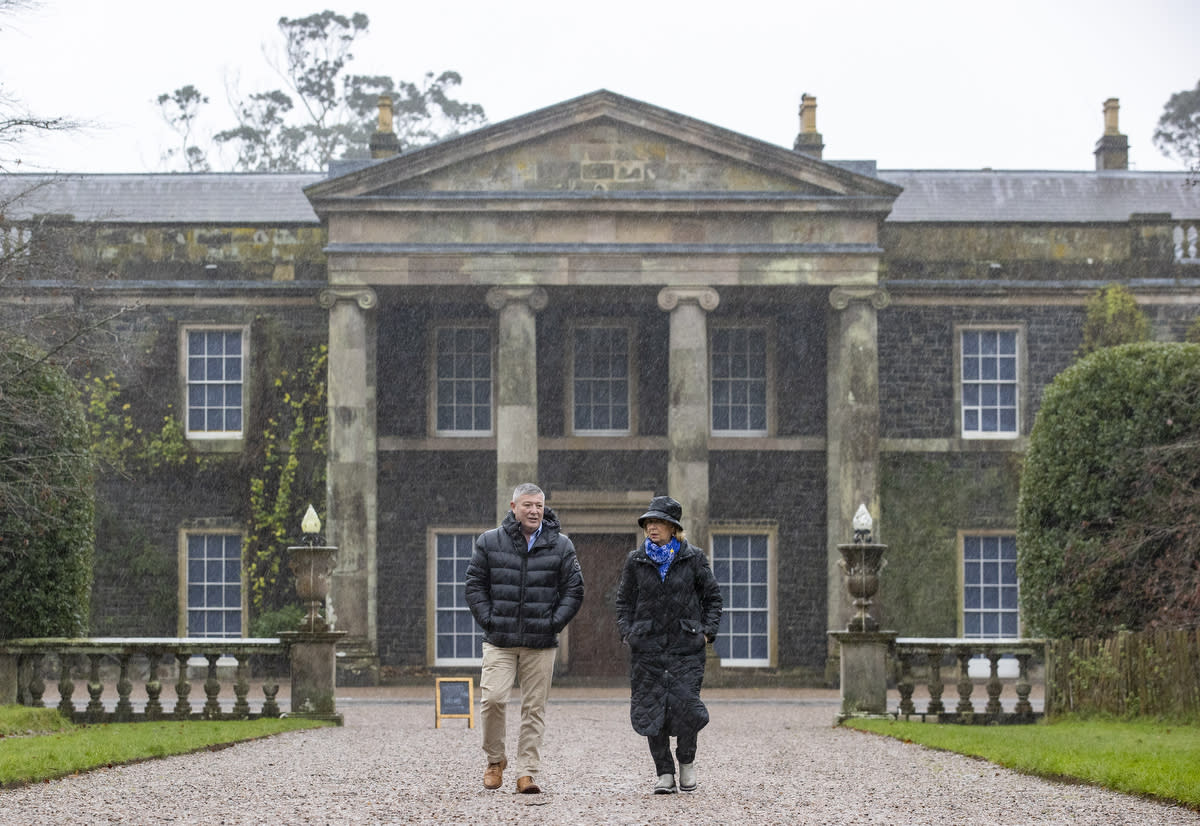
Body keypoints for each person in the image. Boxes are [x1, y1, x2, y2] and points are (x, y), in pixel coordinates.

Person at [465, 483, 585, 795]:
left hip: (541, 642)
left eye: (539, 506)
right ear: (514, 506)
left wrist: (553, 623)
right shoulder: (489, 541)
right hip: (499, 639)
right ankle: (495, 760)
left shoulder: (562, 545)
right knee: (492, 699)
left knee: (534, 709)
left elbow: (574, 590)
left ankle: (527, 772)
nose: (534, 511)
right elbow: (475, 584)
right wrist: (489, 619)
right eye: (528, 505)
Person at [615, 495, 722, 794]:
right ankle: (664, 773)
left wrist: (706, 633)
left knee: (686, 707)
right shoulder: (635, 561)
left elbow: (713, 599)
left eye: (658, 522)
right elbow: (623, 601)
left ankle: (686, 762)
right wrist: (628, 632)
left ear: (673, 528)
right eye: (649, 522)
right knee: (653, 710)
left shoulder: (694, 558)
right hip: (647, 650)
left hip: (686, 648)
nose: (652, 527)